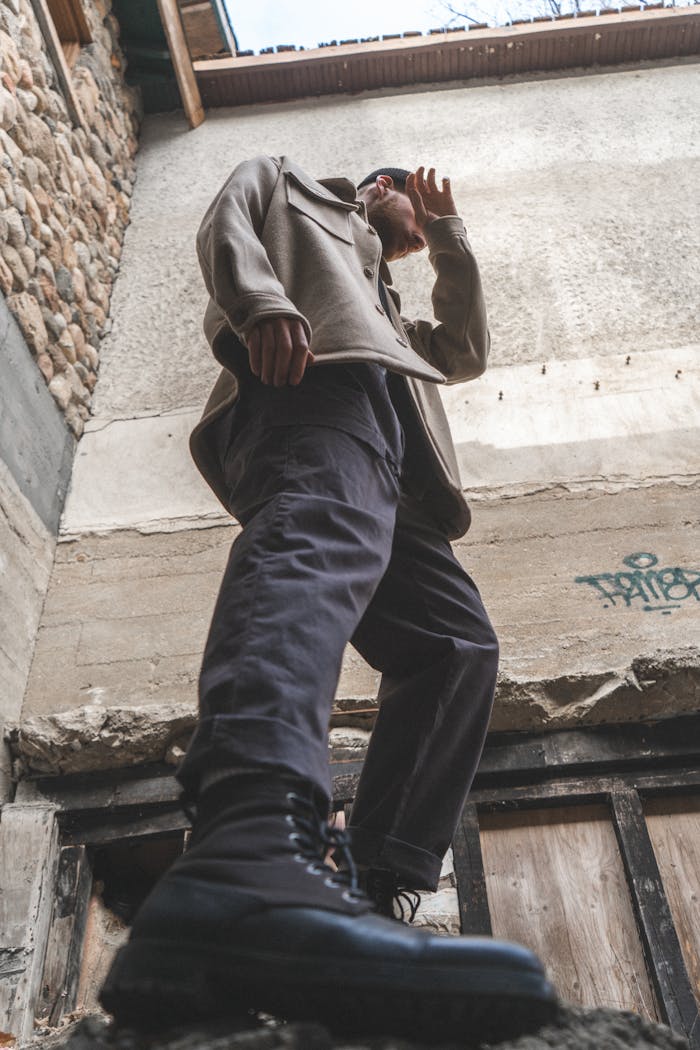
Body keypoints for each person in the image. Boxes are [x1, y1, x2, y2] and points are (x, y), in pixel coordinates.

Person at [101, 157, 557, 1043]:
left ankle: (371, 891)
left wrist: (447, 240)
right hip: (309, 386)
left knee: (457, 647)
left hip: (396, 470)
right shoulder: (294, 189)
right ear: (365, 187)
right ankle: (247, 844)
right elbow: (225, 216)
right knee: (310, 544)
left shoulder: (388, 305)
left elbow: (462, 355)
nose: (408, 194)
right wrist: (260, 303)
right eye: (395, 183)